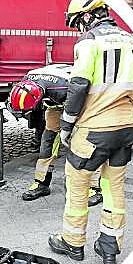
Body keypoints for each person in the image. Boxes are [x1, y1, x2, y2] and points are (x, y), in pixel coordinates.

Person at [48, 0, 133, 264]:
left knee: (77, 185)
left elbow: (78, 86)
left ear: (89, 15)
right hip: (126, 128)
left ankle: (72, 242)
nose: (78, 28)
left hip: (93, 131)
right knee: (114, 187)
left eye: (78, 21)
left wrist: (66, 124)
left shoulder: (89, 42)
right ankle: (109, 247)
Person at [12, 64, 102, 208]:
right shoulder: (26, 82)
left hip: (84, 100)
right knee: (48, 140)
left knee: (86, 143)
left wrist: (67, 128)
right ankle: (42, 183)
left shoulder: (61, 89)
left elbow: (74, 105)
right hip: (57, 103)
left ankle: (94, 188)